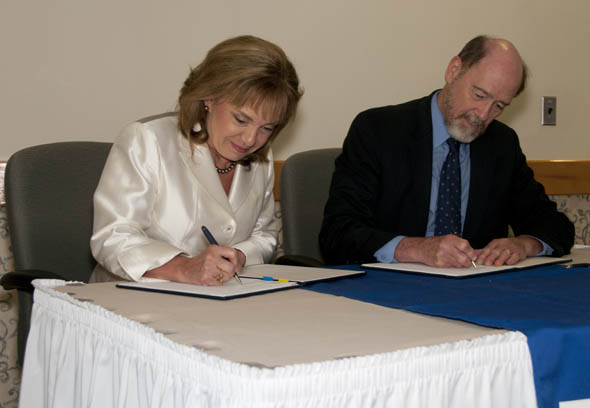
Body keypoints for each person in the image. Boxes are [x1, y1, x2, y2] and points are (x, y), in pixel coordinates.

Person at [320, 35, 574, 267]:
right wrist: (415, 249)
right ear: (454, 70)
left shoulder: (501, 145)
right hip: (388, 292)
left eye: (498, 106)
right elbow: (339, 232)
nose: (483, 115)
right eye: (479, 95)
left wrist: (523, 244)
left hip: (473, 294)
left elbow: (555, 226)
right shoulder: (378, 131)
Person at [91, 35, 303, 285]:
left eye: (266, 128)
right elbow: (112, 237)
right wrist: (183, 268)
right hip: (131, 301)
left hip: (221, 301)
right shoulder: (148, 140)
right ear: (209, 98)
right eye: (241, 119)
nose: (250, 139)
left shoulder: (261, 157)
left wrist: (240, 256)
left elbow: (265, 235)